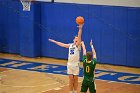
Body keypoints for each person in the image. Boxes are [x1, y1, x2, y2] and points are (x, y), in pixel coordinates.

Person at [48, 24, 83, 93]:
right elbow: (62, 44)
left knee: (75, 79)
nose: (76, 39)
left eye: (77, 39)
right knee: (71, 79)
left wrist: (80, 29)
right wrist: (54, 41)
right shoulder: (70, 45)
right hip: (69, 64)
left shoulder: (78, 46)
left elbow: (79, 36)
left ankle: (75, 91)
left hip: (76, 64)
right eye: (75, 38)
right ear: (73, 40)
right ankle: (71, 91)